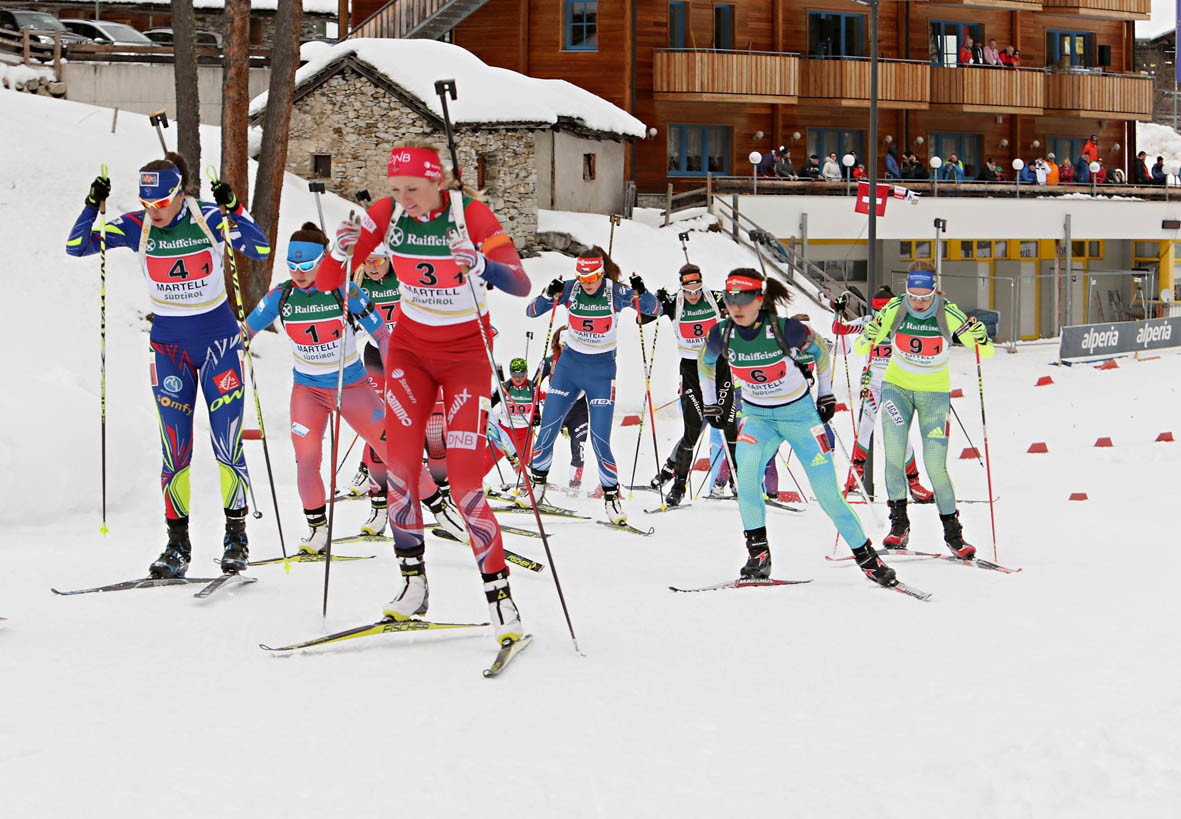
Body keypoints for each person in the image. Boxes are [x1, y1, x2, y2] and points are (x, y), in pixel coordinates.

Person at [315, 139, 531, 644]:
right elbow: (328, 282)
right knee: (400, 470)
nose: (403, 198)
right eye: (396, 189)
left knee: (464, 481)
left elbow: (520, 282)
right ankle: (413, 584)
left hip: (465, 358)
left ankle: (500, 598)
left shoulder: (470, 215)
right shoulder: (387, 214)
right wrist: (340, 250)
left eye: (413, 189)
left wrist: (481, 268)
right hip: (409, 354)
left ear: (439, 182)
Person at [66, 152, 270, 577]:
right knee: (175, 451)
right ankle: (177, 545)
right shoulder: (136, 226)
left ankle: (237, 537)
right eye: (147, 204)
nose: (153, 212)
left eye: (161, 203)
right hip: (169, 349)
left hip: (219, 347)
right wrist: (92, 204)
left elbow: (260, 246)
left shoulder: (207, 218)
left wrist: (235, 208)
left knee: (227, 444)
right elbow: (76, 246)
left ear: (179, 195)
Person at [697, 268, 896, 586]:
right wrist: (711, 404)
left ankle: (868, 559)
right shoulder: (721, 334)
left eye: (744, 299)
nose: (736, 306)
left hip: (799, 417)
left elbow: (821, 352)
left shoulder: (785, 330)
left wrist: (826, 394)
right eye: (730, 298)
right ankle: (758, 557)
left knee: (828, 495)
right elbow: (704, 363)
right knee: (747, 480)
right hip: (758, 418)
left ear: (759, 300)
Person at [243, 223, 395, 554]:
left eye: (307, 267)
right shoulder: (280, 295)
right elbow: (246, 331)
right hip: (308, 390)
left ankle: (426, 505)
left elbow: (382, 333)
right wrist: (239, 342)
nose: (298, 274)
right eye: (292, 266)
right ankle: (317, 529)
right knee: (307, 459)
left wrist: (396, 373)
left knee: (390, 447)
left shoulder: (344, 291)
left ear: (322, 262)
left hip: (351, 383)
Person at [854, 262, 995, 559]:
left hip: (934, 394)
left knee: (935, 465)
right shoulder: (895, 308)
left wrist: (980, 337)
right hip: (897, 388)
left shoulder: (948, 311)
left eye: (924, 297)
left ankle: (954, 535)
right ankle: (899, 526)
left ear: (934, 290)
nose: (918, 303)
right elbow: (861, 347)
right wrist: (869, 333)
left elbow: (986, 350)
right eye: (913, 296)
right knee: (894, 457)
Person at [525, 248, 658, 522]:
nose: (587, 283)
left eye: (592, 278)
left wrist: (641, 292)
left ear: (601, 273)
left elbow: (653, 309)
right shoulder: (570, 290)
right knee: (548, 425)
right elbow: (532, 311)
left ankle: (611, 498)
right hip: (569, 369)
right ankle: (537, 485)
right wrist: (547, 295)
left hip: (601, 372)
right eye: (582, 278)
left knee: (600, 438)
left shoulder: (616, 293)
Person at [351, 243, 465, 541]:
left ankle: (445, 499)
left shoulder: (405, 274)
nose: (372, 266)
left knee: (434, 428)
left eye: (377, 260)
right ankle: (378, 506)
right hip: (378, 357)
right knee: (378, 428)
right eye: (367, 261)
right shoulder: (358, 281)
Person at [832, 288, 933, 503]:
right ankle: (854, 479)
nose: (880, 314)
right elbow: (839, 329)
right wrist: (839, 311)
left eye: (883, 309)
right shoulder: (869, 321)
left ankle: (914, 484)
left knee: (899, 433)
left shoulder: (905, 322)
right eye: (876, 309)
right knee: (864, 429)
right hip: (872, 384)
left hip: (895, 386)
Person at [648, 264, 736, 507]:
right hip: (691, 370)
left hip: (719, 366)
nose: (694, 295)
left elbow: (745, 309)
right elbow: (643, 316)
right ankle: (678, 487)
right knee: (692, 430)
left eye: (697, 289)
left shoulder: (715, 298)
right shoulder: (675, 303)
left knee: (729, 425)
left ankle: (739, 482)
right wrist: (653, 299)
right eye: (689, 291)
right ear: (681, 287)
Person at [539, 327, 590, 489]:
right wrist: (538, 405)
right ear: (558, 344)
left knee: (578, 448)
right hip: (557, 408)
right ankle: (537, 479)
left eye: (570, 344)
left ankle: (574, 486)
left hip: (578, 411)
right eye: (563, 344)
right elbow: (534, 385)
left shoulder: (585, 362)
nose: (566, 347)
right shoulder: (549, 362)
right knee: (544, 444)